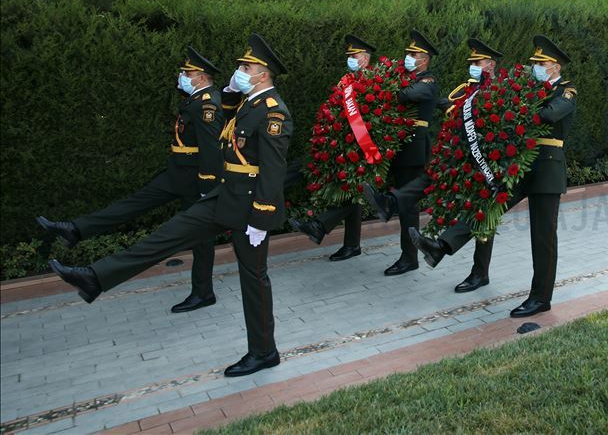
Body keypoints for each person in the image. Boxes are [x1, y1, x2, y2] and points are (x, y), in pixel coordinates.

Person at [48, 34, 293, 377]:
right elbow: (222, 119)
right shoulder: (249, 103)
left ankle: (264, 352)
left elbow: (272, 169)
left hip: (250, 210)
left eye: (246, 67)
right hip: (224, 197)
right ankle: (95, 278)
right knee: (168, 234)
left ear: (263, 74)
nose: (239, 70)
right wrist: (233, 91)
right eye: (240, 65)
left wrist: (261, 218)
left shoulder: (272, 112)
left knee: (254, 280)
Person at [37, 47, 224, 314]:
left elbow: (211, 151)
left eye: (187, 72)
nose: (182, 76)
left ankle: (203, 292)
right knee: (134, 203)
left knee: (199, 238)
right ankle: (74, 229)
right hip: (178, 172)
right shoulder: (195, 100)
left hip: (194, 178)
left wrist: (208, 187)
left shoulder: (207, 104)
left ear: (202, 77)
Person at [410, 35, 577, 318]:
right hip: (520, 166)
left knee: (543, 236)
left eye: (542, 64)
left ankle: (540, 298)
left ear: (555, 66)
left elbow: (549, 115)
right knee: (485, 206)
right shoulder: (529, 89)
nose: (536, 68)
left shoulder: (567, 90)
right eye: (534, 64)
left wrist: (519, 107)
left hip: (547, 167)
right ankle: (441, 246)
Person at [364, 38, 502, 293]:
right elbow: (452, 108)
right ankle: (392, 203)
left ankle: (479, 272)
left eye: (477, 62)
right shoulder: (466, 90)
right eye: (471, 62)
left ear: (491, 65)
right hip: (462, 155)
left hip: (485, 161)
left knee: (483, 212)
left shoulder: (499, 89)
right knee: (431, 176)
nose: (472, 65)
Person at [290, 35, 376, 262]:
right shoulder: (345, 80)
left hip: (358, 146)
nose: (349, 59)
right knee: (351, 195)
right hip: (339, 143)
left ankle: (322, 228)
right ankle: (351, 245)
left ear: (365, 59)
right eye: (348, 56)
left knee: (354, 194)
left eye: (354, 56)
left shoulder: (372, 81)